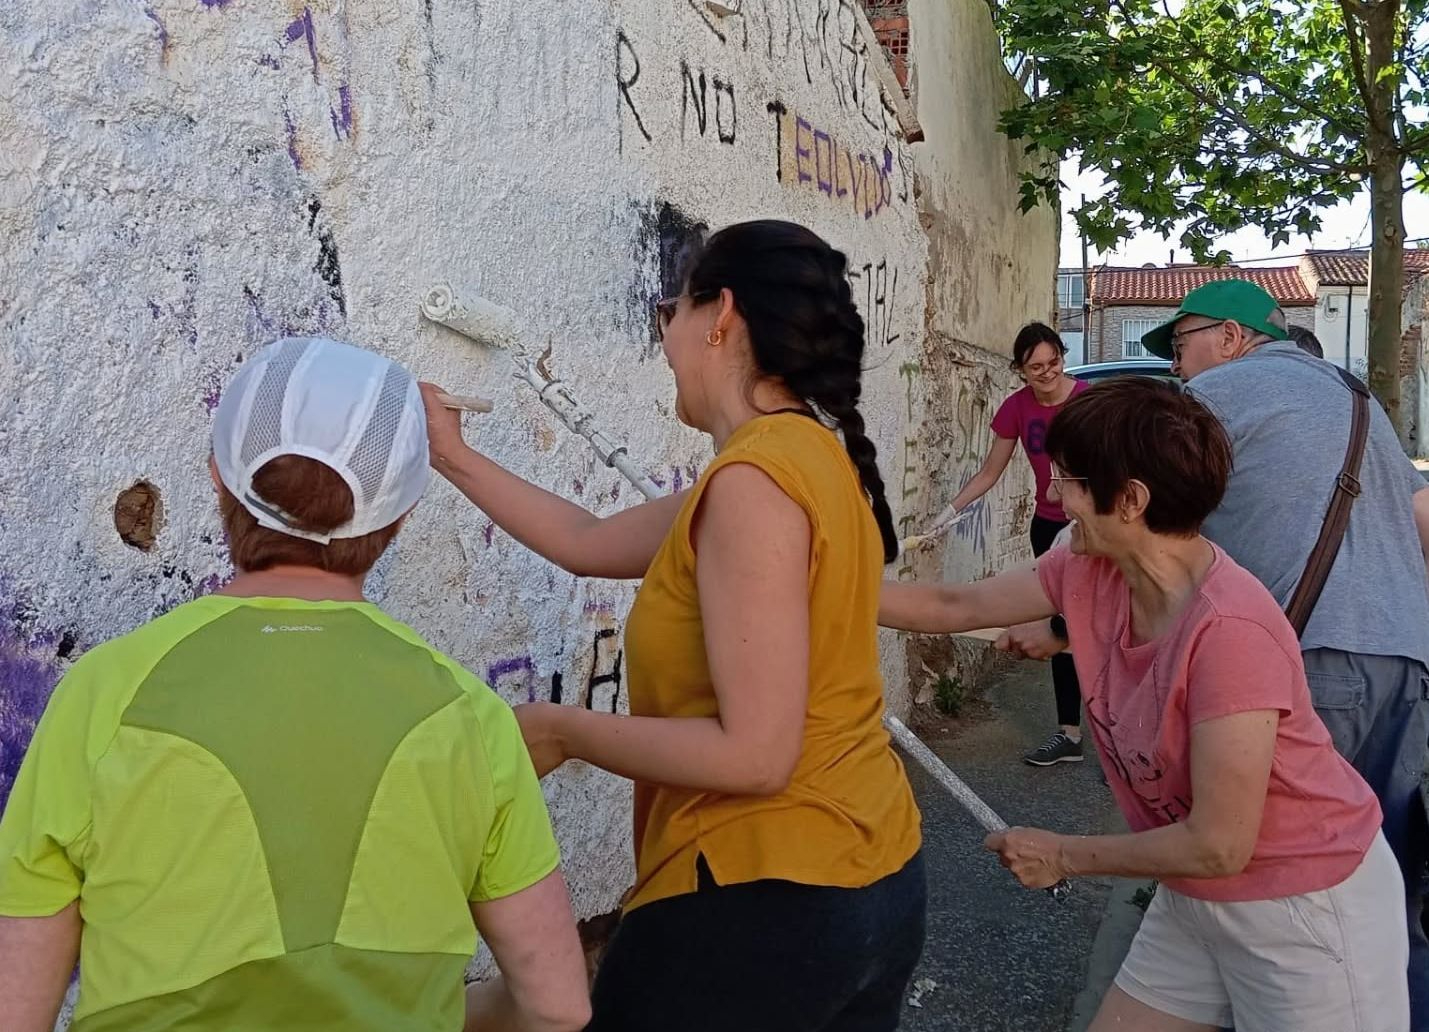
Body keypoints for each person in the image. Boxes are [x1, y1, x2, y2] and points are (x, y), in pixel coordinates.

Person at [0, 337, 589, 1032]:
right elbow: (556, 1007)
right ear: (402, 512)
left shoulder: (105, 692)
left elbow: (17, 1004)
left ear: (219, 477)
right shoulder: (470, 714)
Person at [422, 220, 925, 1032]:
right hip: (871, 875)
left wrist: (561, 730)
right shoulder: (793, 461)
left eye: (670, 311)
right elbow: (585, 542)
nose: (664, 338)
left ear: (718, 316)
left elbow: (756, 756)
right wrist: (449, 453)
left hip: (764, 900)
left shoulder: (754, 485)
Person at [883, 378, 1408, 1031]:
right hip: (1195, 894)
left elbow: (1219, 843)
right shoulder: (1086, 570)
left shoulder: (1228, 631)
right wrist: (807, 582)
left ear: (1129, 500)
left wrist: (1064, 853)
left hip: (1303, 910)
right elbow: (952, 606)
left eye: (1070, 482)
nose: (1052, 496)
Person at [1140, 280, 1429, 1027]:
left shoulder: (1221, 391)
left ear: (1231, 338)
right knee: (1380, 878)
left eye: (1180, 346)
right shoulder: (1358, 398)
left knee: (1277, 885)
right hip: (1404, 659)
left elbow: (1134, 509)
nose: (1177, 369)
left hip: (1307, 665)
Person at [937, 323, 1089, 766]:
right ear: (1020, 370)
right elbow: (989, 472)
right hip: (1047, 527)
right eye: (1035, 368)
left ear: (1063, 355)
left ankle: (1127, 745)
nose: (1047, 374)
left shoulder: (1088, 400)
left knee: (1102, 627)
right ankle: (1070, 733)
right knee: (1060, 627)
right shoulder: (1016, 409)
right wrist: (949, 513)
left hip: (1091, 531)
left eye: (1054, 363)